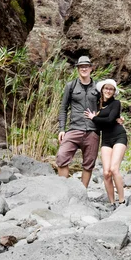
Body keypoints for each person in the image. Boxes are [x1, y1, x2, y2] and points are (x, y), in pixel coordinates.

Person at [56, 56, 100, 188]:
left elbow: (106, 106)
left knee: (89, 163)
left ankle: (82, 193)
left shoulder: (98, 87)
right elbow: (63, 108)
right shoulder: (71, 86)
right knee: (61, 156)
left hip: (92, 131)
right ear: (78, 69)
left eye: (86, 66)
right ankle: (65, 190)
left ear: (91, 68)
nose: (84, 68)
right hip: (74, 129)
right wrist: (61, 129)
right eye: (81, 66)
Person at [85, 79, 128, 205]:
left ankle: (122, 201)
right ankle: (112, 203)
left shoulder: (116, 103)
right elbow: (99, 124)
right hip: (106, 139)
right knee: (106, 173)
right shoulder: (97, 105)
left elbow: (110, 120)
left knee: (114, 169)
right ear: (102, 90)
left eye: (111, 89)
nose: (108, 91)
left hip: (119, 136)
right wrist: (95, 118)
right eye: (106, 88)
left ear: (114, 92)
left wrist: (94, 118)